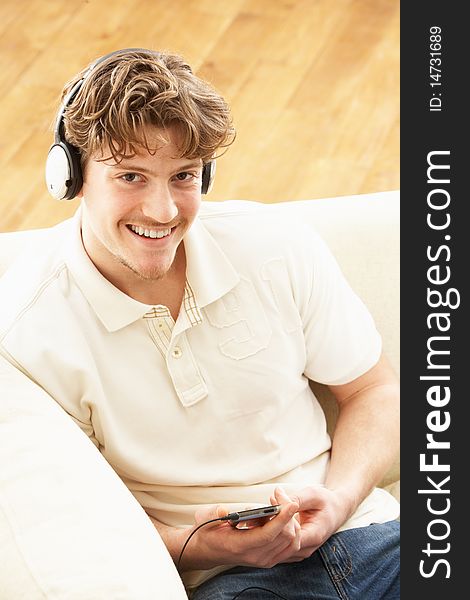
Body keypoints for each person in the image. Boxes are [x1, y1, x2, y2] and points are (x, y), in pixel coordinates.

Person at [0, 48, 400, 599]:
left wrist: (339, 500)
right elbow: (67, 522)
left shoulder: (275, 247)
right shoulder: (28, 329)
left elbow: (375, 389)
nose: (162, 211)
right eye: (131, 176)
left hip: (375, 534)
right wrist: (196, 544)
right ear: (71, 177)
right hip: (229, 582)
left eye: (183, 176)